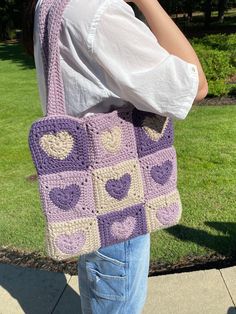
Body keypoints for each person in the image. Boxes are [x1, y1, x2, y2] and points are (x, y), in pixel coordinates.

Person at [23, 0, 208, 313]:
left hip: (93, 199)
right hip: (122, 208)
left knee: (100, 285)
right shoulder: (99, 13)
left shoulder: (49, 4)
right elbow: (195, 86)